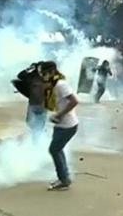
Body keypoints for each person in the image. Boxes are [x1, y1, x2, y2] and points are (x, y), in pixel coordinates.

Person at [40, 61, 79, 191]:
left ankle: (64, 180)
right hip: (61, 125)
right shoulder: (53, 85)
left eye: (44, 73)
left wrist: (60, 115)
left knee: (54, 149)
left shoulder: (61, 85)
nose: (42, 76)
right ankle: (64, 177)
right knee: (57, 149)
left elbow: (74, 101)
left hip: (68, 125)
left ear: (51, 72)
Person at [13, 62, 47, 143]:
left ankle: (37, 143)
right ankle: (38, 138)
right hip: (32, 104)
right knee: (29, 122)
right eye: (39, 68)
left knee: (39, 126)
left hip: (43, 105)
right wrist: (29, 69)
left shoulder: (47, 77)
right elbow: (20, 76)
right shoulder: (31, 77)